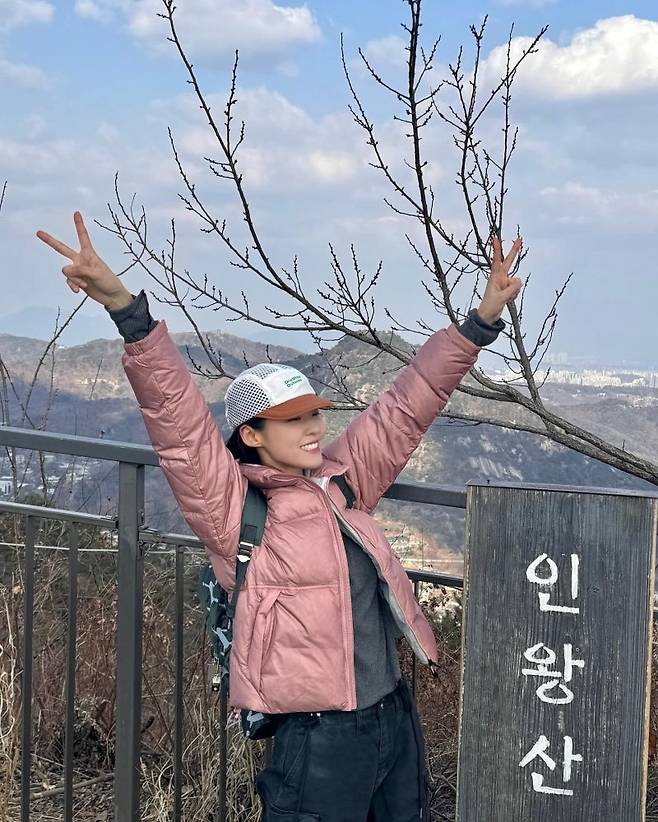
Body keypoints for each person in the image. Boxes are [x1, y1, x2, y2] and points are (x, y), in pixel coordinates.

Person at [36, 212, 522, 821]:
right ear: (252, 434)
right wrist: (126, 311)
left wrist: (480, 323)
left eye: (314, 413)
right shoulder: (236, 510)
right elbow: (180, 426)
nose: (314, 427)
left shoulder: (343, 481)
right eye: (293, 420)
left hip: (392, 717)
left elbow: (406, 407)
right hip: (319, 738)